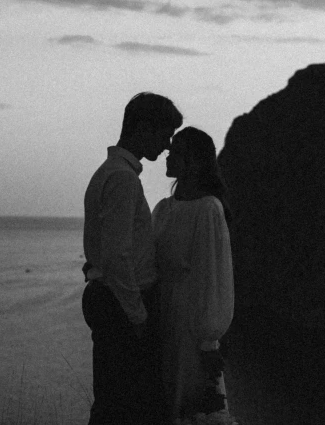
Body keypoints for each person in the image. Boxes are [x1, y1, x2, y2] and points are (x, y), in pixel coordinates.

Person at [82, 92, 183, 425]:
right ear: (143, 128)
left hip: (112, 300)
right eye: (164, 134)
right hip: (121, 305)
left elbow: (105, 247)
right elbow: (116, 254)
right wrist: (138, 315)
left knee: (114, 402)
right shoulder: (123, 178)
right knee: (128, 406)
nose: (168, 145)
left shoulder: (111, 172)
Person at [152, 127, 235, 424]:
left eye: (176, 151)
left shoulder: (208, 210)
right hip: (163, 318)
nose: (168, 155)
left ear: (194, 162)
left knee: (192, 407)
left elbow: (214, 278)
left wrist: (209, 340)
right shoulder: (163, 209)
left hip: (191, 327)